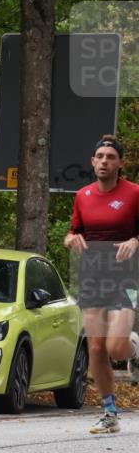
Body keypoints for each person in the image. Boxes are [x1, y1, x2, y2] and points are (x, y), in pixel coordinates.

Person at [64, 134, 139, 434]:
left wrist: (135, 240)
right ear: (93, 162)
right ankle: (110, 412)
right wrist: (72, 239)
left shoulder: (134, 193)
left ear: (120, 163)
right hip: (92, 277)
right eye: (100, 156)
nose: (105, 161)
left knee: (116, 348)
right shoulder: (83, 196)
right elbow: (72, 232)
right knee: (96, 347)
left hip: (125, 277)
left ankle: (134, 347)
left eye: (111, 157)